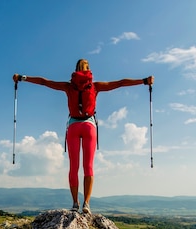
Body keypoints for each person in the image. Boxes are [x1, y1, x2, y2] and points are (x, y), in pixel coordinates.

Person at [13, 59, 154, 214]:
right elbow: (120, 83)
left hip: (73, 126)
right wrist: (143, 81)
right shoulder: (95, 86)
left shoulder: (68, 86)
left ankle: (75, 203)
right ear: (89, 70)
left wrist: (22, 77)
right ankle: (86, 204)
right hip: (89, 126)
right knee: (88, 167)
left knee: (74, 168)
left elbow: (44, 82)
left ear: (75, 71)